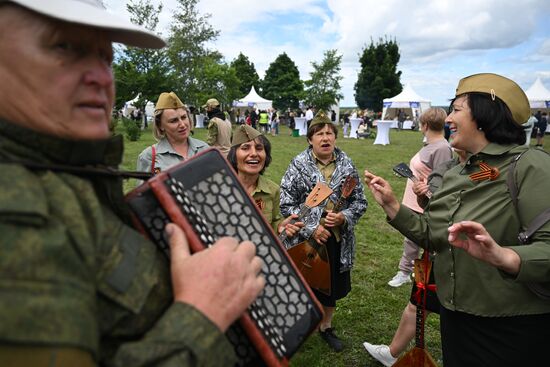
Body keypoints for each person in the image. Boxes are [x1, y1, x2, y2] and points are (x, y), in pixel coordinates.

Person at [0, 1, 265, 365]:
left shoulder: (73, 174)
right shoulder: (17, 212)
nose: (102, 76)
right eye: (64, 46)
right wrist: (202, 313)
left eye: (106, 57)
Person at [365, 73, 550, 366]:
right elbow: (432, 235)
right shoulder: (459, 173)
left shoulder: (531, 165)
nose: (448, 118)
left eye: (456, 109)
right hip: (457, 317)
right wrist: (392, 205)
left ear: (484, 115)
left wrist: (505, 256)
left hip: (512, 324)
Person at [364, 148, 468, 367]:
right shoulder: (451, 165)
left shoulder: (491, 171)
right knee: (418, 304)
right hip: (438, 254)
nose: (450, 120)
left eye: (457, 111)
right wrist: (423, 197)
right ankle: (392, 353)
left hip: (466, 262)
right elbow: (435, 216)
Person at [280, 110, 367, 352]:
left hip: (337, 238)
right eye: (319, 134)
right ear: (310, 139)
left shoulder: (347, 164)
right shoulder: (298, 165)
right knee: (304, 283)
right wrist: (312, 227)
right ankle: (298, 324)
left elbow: (360, 202)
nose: (325, 138)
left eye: (329, 133)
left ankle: (325, 326)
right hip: (305, 239)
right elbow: (286, 204)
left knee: (332, 287)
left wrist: (343, 217)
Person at [387, 108, 452, 288]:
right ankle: (407, 272)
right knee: (411, 241)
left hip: (424, 204)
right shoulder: (431, 145)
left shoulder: (442, 148)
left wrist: (426, 194)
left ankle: (412, 274)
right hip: (413, 201)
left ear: (425, 125)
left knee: (420, 242)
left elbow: (441, 181)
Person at [228, 124, 302, 235]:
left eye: (259, 148)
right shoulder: (219, 188)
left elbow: (274, 222)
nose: (253, 153)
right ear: (234, 155)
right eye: (245, 148)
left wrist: (279, 227)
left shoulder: (273, 190)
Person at [137, 92, 208, 175]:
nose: (182, 124)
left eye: (183, 117)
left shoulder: (205, 150)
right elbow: (144, 187)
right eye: (173, 121)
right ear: (160, 125)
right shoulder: (149, 157)